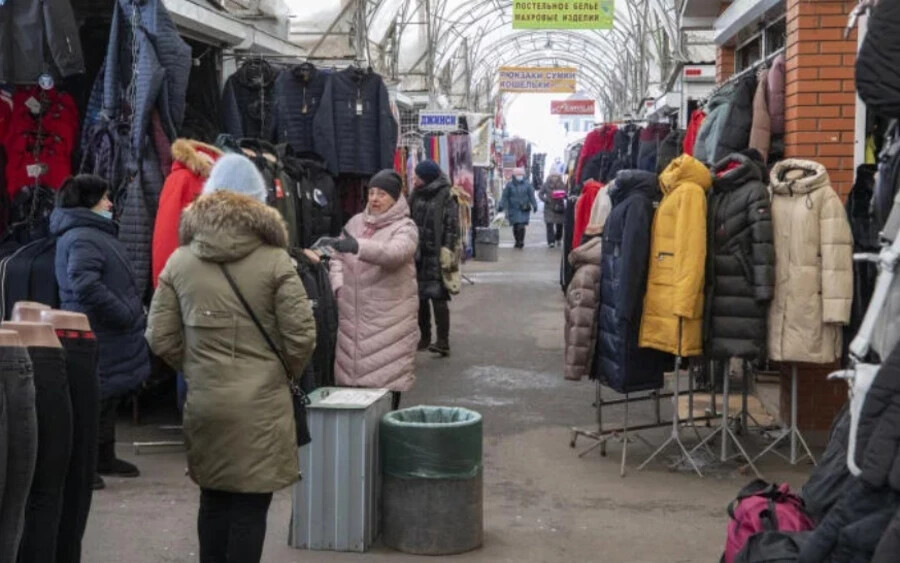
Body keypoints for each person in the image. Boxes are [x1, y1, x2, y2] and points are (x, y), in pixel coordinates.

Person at [145, 154, 316, 563]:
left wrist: (195, 367)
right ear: (259, 202)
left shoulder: (181, 261)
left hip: (206, 400)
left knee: (214, 498)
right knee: (250, 507)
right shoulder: (276, 261)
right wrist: (276, 372)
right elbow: (303, 336)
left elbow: (159, 335)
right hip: (261, 406)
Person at [50, 175, 150, 489]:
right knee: (92, 403)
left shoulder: (92, 232)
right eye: (105, 198)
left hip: (107, 332)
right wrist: (123, 313)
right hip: (99, 331)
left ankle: (103, 457)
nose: (110, 203)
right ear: (88, 202)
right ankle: (84, 465)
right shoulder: (83, 236)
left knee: (106, 398)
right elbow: (85, 284)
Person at [320, 169, 419, 410]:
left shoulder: (405, 227)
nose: (374, 198)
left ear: (395, 198)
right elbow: (336, 258)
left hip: (389, 320)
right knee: (352, 397)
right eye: (371, 192)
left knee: (384, 387)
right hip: (351, 318)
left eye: (382, 194)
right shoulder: (354, 223)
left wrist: (357, 246)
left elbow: (395, 254)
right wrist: (339, 287)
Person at [408, 160, 459, 357]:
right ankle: (425, 337)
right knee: (420, 299)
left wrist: (447, 251)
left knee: (438, 299)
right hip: (417, 254)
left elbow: (451, 225)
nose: (414, 179)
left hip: (437, 254)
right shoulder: (415, 194)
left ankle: (443, 341)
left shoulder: (446, 195)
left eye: (417, 176)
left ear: (427, 177)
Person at [498, 167, 538, 249]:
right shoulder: (509, 185)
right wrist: (501, 205)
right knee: (515, 226)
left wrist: (534, 205)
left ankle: (521, 241)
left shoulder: (527, 185)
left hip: (524, 208)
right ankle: (517, 240)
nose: (519, 176)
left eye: (521, 174)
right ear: (514, 175)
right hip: (513, 208)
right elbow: (505, 196)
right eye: (518, 175)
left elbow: (531, 196)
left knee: (521, 225)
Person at [539, 173, 566, 248]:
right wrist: (545, 200)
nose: (554, 178)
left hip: (559, 207)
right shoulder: (546, 184)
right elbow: (540, 194)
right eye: (553, 176)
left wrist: (563, 195)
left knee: (559, 225)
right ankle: (551, 241)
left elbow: (566, 194)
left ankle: (558, 238)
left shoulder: (562, 185)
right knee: (549, 225)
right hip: (549, 207)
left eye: (556, 176)